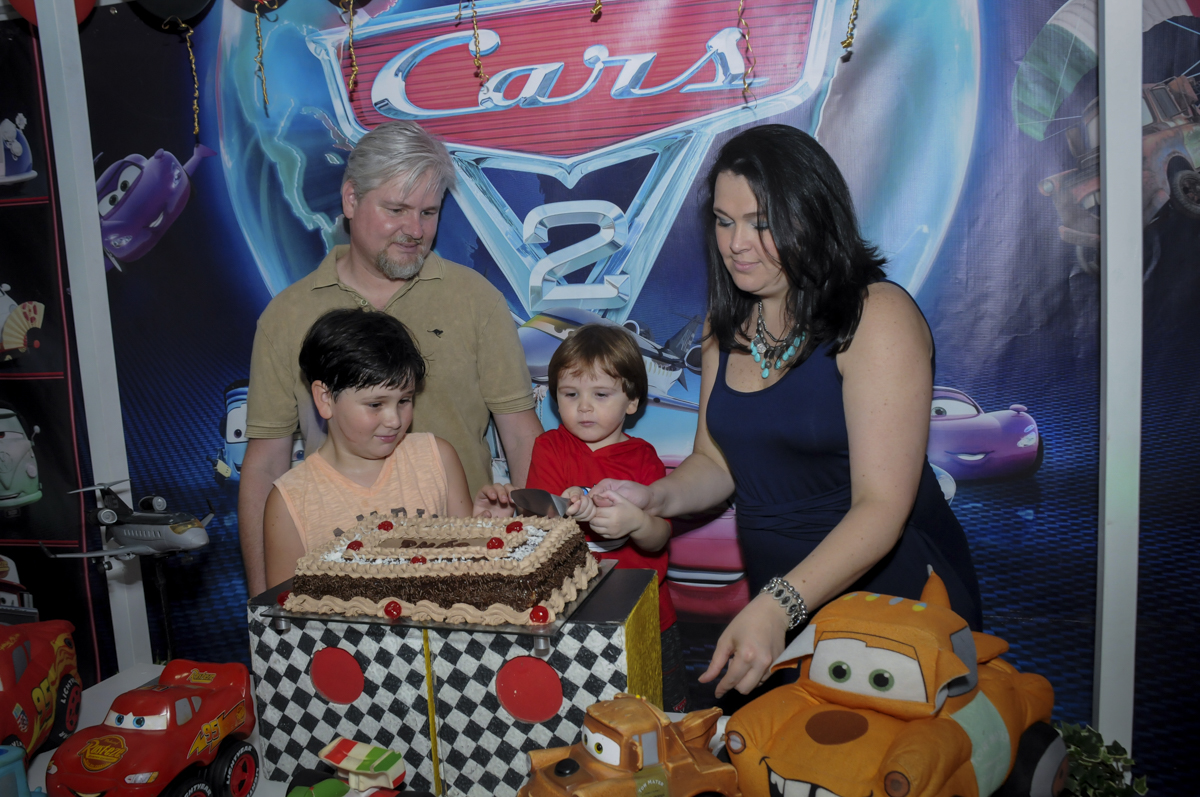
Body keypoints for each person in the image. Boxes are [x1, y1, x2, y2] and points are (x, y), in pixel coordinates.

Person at [592, 124, 983, 700]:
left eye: (761, 223)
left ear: (812, 217)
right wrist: (657, 497)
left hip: (892, 604)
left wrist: (778, 605)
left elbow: (882, 508)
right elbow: (716, 461)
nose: (736, 243)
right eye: (724, 222)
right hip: (781, 611)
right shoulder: (722, 327)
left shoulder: (877, 315)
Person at [239, 121, 542, 597]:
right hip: (339, 591)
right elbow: (263, 465)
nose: (414, 231)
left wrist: (533, 566)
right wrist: (263, 610)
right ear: (350, 200)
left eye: (428, 212)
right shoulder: (287, 316)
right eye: (396, 209)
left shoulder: (476, 299)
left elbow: (522, 436)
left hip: (466, 577)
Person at [262, 309, 514, 588]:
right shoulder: (290, 502)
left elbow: (470, 573)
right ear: (325, 399)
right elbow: (284, 611)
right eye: (375, 404)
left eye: (404, 400)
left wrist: (484, 529)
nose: (395, 420)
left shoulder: (438, 458)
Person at [522, 323, 687, 712]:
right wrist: (569, 508)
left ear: (632, 401)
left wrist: (635, 523)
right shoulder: (549, 447)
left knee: (656, 721)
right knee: (586, 721)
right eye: (570, 394)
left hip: (646, 616)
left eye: (600, 394)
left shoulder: (643, 457)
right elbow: (538, 530)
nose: (583, 406)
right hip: (572, 616)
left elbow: (659, 538)